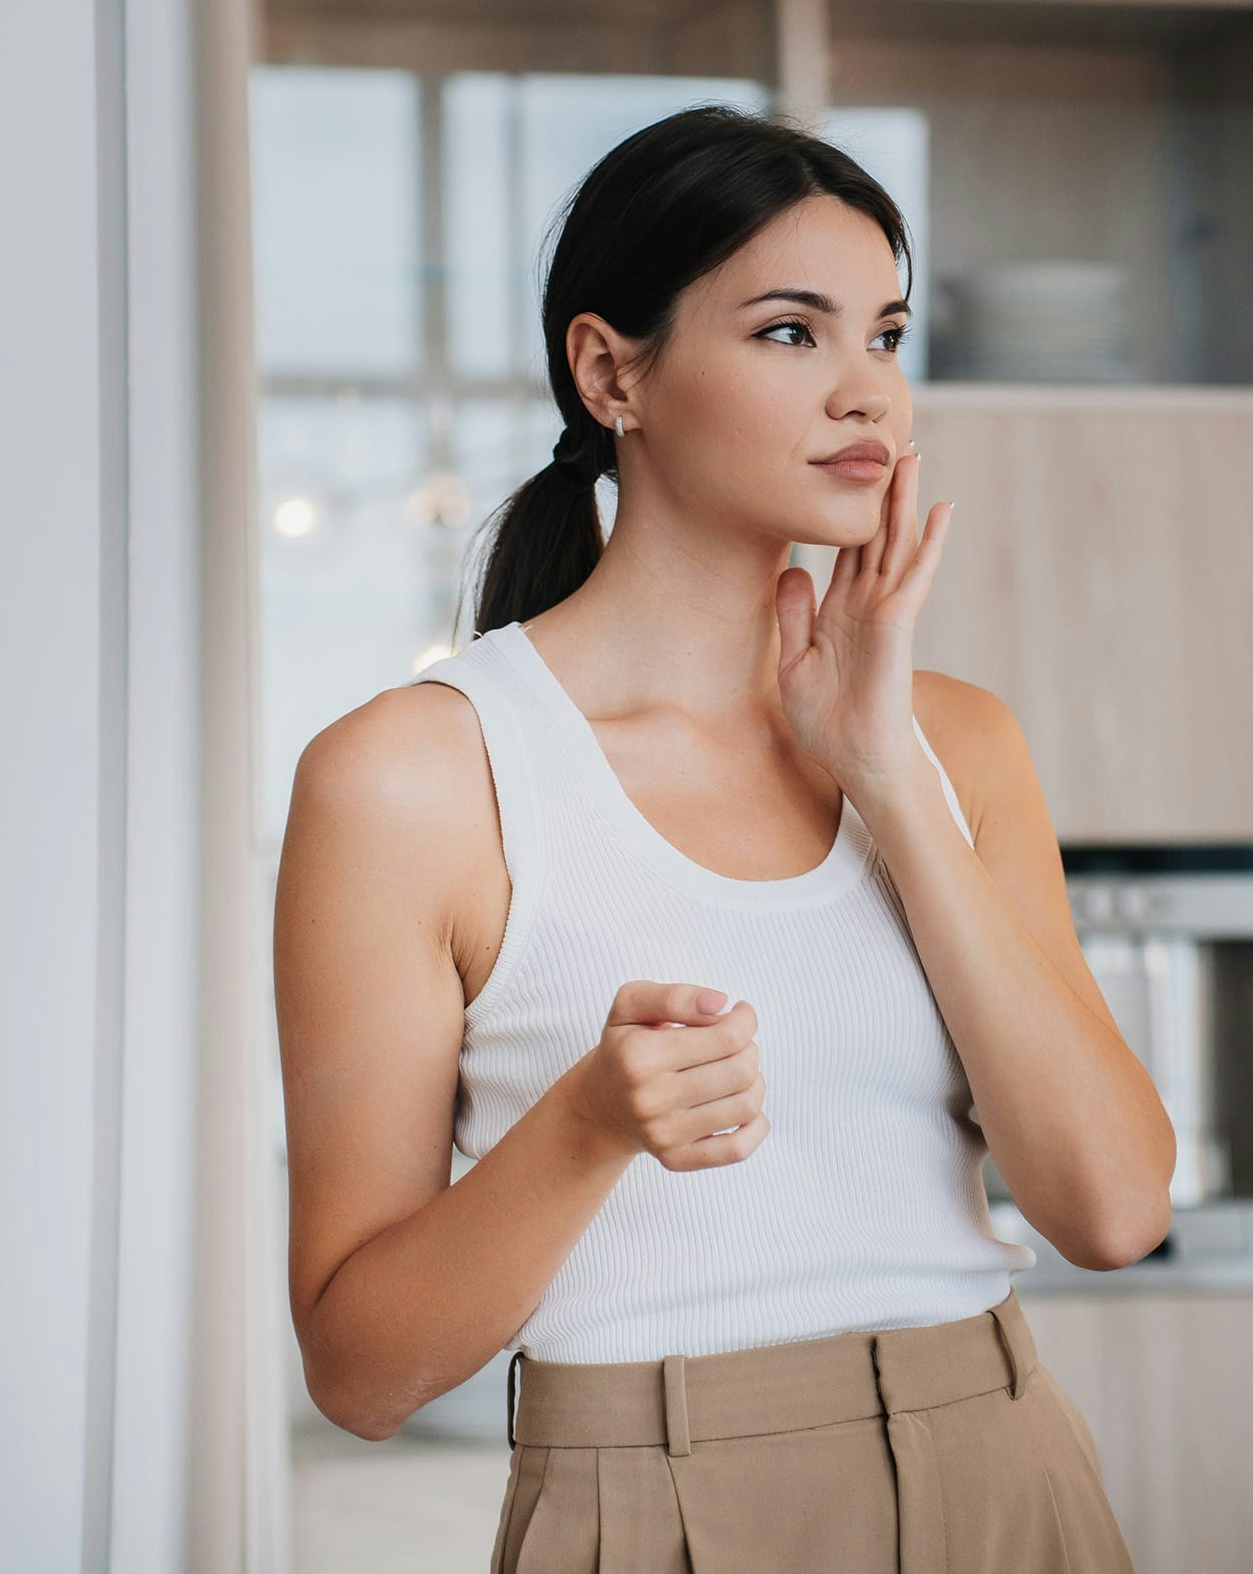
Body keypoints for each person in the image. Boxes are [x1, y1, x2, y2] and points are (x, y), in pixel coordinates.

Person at [273, 102, 1173, 1573]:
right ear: (610, 368)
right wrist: (587, 1126)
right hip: (647, 1499)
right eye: (788, 333)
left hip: (1005, 1462)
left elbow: (1116, 1207)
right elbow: (361, 1376)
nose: (867, 395)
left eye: (883, 333)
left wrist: (884, 775)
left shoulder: (956, 745)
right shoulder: (416, 780)